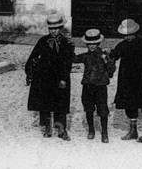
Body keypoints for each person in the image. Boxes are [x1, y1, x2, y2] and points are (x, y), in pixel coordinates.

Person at [109, 18, 142, 143]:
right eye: (125, 35)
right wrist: (108, 56)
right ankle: (133, 131)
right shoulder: (122, 45)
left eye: (130, 35)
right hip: (126, 79)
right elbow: (114, 55)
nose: (128, 37)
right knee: (129, 105)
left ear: (135, 33)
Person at [25, 12, 75, 140]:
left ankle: (61, 128)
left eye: (56, 29)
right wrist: (30, 71)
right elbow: (33, 56)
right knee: (45, 102)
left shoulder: (66, 43)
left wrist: (64, 78)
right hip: (45, 76)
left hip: (60, 76)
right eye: (51, 29)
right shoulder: (43, 41)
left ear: (61, 28)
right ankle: (47, 126)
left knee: (61, 101)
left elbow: (68, 62)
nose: (53, 31)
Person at [73, 28, 115, 143]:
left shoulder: (104, 55)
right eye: (89, 44)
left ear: (98, 43)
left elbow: (112, 69)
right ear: (86, 44)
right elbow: (74, 59)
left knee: (103, 110)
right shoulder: (85, 56)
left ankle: (104, 133)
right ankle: (91, 130)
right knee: (89, 109)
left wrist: (107, 60)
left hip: (100, 87)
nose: (92, 46)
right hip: (87, 86)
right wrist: (69, 48)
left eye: (94, 44)